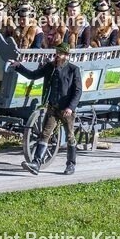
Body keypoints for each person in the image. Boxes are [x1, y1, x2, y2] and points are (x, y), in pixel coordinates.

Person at [10, 42, 82, 175]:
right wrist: (19, 66)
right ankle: (36, 163)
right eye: (57, 52)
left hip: (66, 109)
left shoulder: (73, 70)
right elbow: (33, 75)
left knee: (70, 136)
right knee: (44, 134)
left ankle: (71, 165)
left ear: (66, 55)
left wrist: (71, 107)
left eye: (60, 53)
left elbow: (78, 91)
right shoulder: (50, 67)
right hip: (52, 107)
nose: (57, 55)